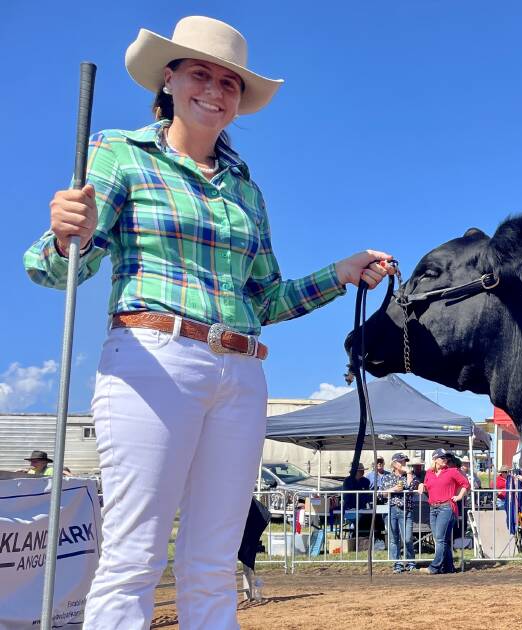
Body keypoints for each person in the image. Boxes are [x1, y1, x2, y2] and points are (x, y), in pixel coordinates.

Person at [21, 16, 395, 628]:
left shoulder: (248, 190)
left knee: (215, 561)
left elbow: (268, 300)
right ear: (168, 79)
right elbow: (48, 267)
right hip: (152, 357)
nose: (216, 90)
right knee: (133, 556)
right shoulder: (118, 154)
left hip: (242, 373)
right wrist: (69, 236)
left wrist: (342, 272)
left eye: (230, 82)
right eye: (201, 73)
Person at [417, 448, 470, 574]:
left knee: (440, 539)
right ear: (435, 459)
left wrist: (459, 497)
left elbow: (465, 484)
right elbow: (427, 486)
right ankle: (448, 567)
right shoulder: (429, 473)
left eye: (446, 457)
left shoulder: (452, 471)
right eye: (442, 457)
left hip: (446, 507)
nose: (445, 459)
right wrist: (421, 485)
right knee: (441, 539)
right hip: (433, 508)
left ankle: (434, 567)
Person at [378, 453, 420, 572]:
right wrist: (393, 490)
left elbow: (411, 488)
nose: (404, 464)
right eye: (401, 462)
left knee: (407, 538)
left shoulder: (410, 475)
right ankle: (397, 564)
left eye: (405, 462)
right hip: (391, 509)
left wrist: (409, 473)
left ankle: (411, 563)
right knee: (393, 539)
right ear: (395, 464)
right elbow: (381, 494)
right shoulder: (387, 477)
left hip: (406, 510)